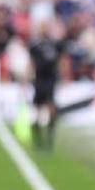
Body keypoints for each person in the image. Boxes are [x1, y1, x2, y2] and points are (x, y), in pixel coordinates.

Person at [28, 21, 67, 150]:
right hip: (39, 80)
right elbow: (31, 63)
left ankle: (49, 139)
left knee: (51, 108)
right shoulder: (35, 46)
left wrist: (64, 77)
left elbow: (62, 61)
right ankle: (38, 140)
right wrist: (27, 78)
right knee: (37, 110)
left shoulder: (55, 45)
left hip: (51, 80)